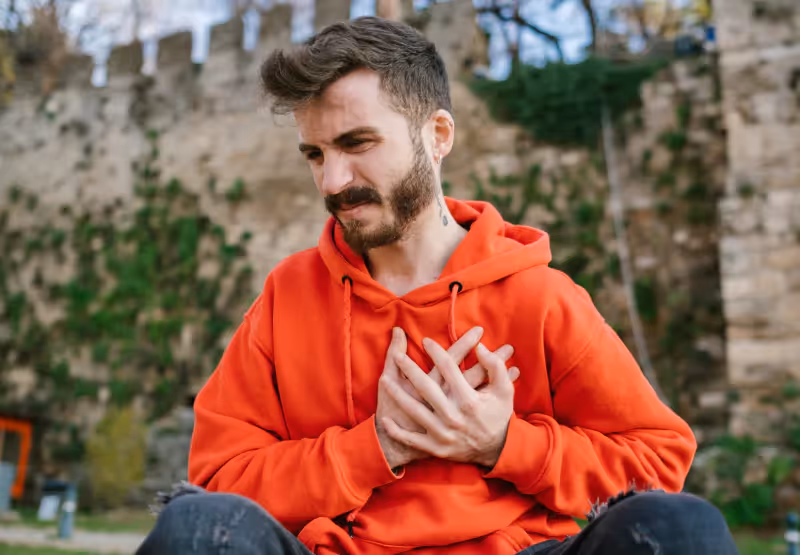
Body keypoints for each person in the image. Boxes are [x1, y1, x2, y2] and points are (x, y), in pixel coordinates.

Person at [136, 16, 738, 555]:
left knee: (678, 529)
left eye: (357, 143)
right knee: (195, 530)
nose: (333, 179)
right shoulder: (286, 296)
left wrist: (505, 443)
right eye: (314, 154)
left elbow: (658, 462)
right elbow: (218, 482)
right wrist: (375, 447)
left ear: (438, 135)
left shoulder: (543, 297)